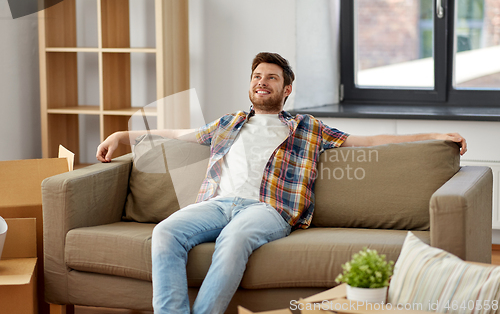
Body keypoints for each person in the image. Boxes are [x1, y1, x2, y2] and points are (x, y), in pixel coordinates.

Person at [96, 52, 467, 313]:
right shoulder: (228, 123)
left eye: (271, 77)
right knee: (165, 233)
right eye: (257, 77)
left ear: (286, 89)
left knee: (235, 239)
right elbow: (178, 134)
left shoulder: (308, 127)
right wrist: (124, 136)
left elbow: (370, 142)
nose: (262, 82)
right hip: (216, 204)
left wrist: (435, 134)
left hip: (269, 209)